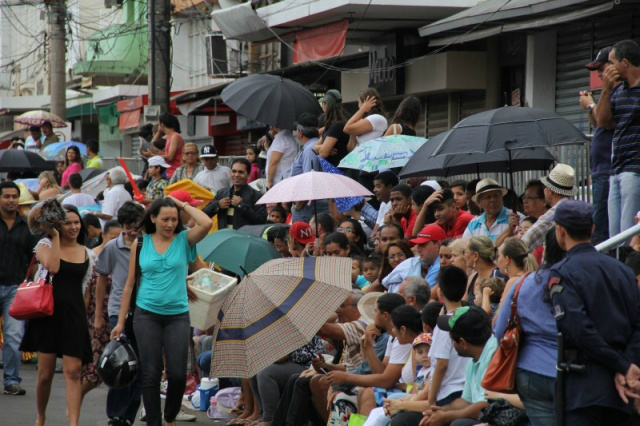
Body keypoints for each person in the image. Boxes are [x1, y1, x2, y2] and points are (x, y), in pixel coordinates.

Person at [110, 196, 212, 426]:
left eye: (174, 220)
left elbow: (206, 224)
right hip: (146, 315)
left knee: (177, 374)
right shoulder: (141, 243)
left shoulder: (184, 239)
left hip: (177, 315)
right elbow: (129, 285)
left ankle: (169, 416)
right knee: (150, 374)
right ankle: (154, 422)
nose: (169, 224)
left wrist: (181, 204)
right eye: (165, 219)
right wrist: (119, 321)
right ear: (153, 218)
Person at [548, 200, 640, 425]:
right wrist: (625, 365)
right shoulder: (623, 271)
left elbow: (578, 328)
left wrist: (623, 366)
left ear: (560, 231)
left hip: (584, 388)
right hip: (621, 390)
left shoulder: (563, 273)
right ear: (591, 229)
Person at [21, 205, 96, 426]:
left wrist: (87, 320)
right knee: (45, 374)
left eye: (76, 222)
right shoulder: (45, 245)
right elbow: (53, 267)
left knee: (73, 372)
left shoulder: (86, 252)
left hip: (74, 316)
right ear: (57, 224)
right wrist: (53, 235)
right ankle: (41, 417)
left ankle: (73, 423)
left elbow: (86, 292)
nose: (73, 227)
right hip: (48, 314)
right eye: (67, 223)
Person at [494, 227, 565, 426]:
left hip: (530, 372)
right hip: (567, 369)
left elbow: (499, 331)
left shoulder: (521, 283)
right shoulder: (579, 280)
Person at [325, 294, 413, 415]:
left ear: (385, 315)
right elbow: (380, 372)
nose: (373, 314)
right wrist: (368, 346)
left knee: (367, 393)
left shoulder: (402, 339)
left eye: (376, 311)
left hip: (408, 392)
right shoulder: (393, 337)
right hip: (399, 388)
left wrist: (345, 378)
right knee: (364, 391)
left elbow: (386, 381)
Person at [422, 306, 498, 426]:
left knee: (459, 424)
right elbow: (466, 401)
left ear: (463, 343)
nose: (451, 342)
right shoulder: (473, 359)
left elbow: (485, 406)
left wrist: (447, 416)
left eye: (451, 339)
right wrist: (440, 411)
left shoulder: (494, 355)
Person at [597, 40, 640, 241]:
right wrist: (606, 89)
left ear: (624, 63)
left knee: (629, 232)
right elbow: (603, 122)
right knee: (614, 237)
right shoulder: (618, 91)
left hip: (635, 168)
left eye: (611, 63)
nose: (608, 68)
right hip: (616, 169)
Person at [0, 182, 38, 396]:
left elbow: (34, 259)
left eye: (15, 196)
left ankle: (12, 381)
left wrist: (36, 285)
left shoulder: (27, 227)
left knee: (14, 337)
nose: (12, 200)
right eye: (7, 196)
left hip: (16, 288)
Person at [580, 48, 616, 243]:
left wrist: (591, 105)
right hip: (600, 171)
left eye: (602, 68)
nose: (600, 74)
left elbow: (606, 121)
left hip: (608, 170)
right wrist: (590, 108)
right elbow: (598, 123)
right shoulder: (609, 91)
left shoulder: (617, 91)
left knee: (601, 229)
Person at [521, 163, 575, 252]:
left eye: (545, 187)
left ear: (550, 191)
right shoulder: (574, 207)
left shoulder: (557, 211)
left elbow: (527, 240)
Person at [203, 158, 267, 229]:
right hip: (225, 238)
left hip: (245, 238)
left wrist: (241, 205)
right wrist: (217, 205)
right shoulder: (222, 193)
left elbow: (261, 221)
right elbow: (204, 214)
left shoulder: (256, 196)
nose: (236, 175)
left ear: (248, 175)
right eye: (234, 171)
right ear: (230, 173)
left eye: (241, 172)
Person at [382, 224, 445, 292]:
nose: (418, 249)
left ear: (438, 245)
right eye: (418, 245)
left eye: (423, 245)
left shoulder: (441, 264)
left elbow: (424, 294)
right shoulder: (417, 262)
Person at [463, 178, 521, 243]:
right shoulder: (473, 224)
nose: (493, 200)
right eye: (488, 197)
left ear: (501, 198)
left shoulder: (517, 218)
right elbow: (464, 247)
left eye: (496, 196)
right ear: (479, 203)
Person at [496, 237, 538, 304]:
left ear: (507, 259)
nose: (497, 260)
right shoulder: (529, 276)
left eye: (498, 256)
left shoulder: (513, 281)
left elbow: (501, 313)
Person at [314, 89, 350, 167]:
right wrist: (324, 147)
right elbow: (315, 148)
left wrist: (323, 148)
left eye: (324, 103)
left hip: (338, 171)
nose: (322, 105)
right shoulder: (331, 125)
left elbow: (323, 153)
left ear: (327, 104)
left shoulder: (337, 125)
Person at [464, 237, 504, 305]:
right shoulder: (473, 277)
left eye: (465, 252)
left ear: (475, 255)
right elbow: (464, 304)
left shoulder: (498, 276)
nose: (464, 255)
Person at [149, 113, 184, 179]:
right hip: (169, 172)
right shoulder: (169, 137)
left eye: (159, 124)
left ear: (162, 125)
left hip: (174, 173)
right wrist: (158, 132)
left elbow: (170, 157)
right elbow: (151, 146)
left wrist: (152, 155)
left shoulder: (175, 137)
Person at [290, 112, 321, 177]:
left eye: (296, 130)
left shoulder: (309, 149)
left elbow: (309, 177)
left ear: (300, 133)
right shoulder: (314, 144)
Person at [372, 171, 400, 236]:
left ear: (390, 187)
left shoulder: (396, 205)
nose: (374, 190)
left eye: (378, 186)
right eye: (375, 186)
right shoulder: (383, 204)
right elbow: (375, 231)